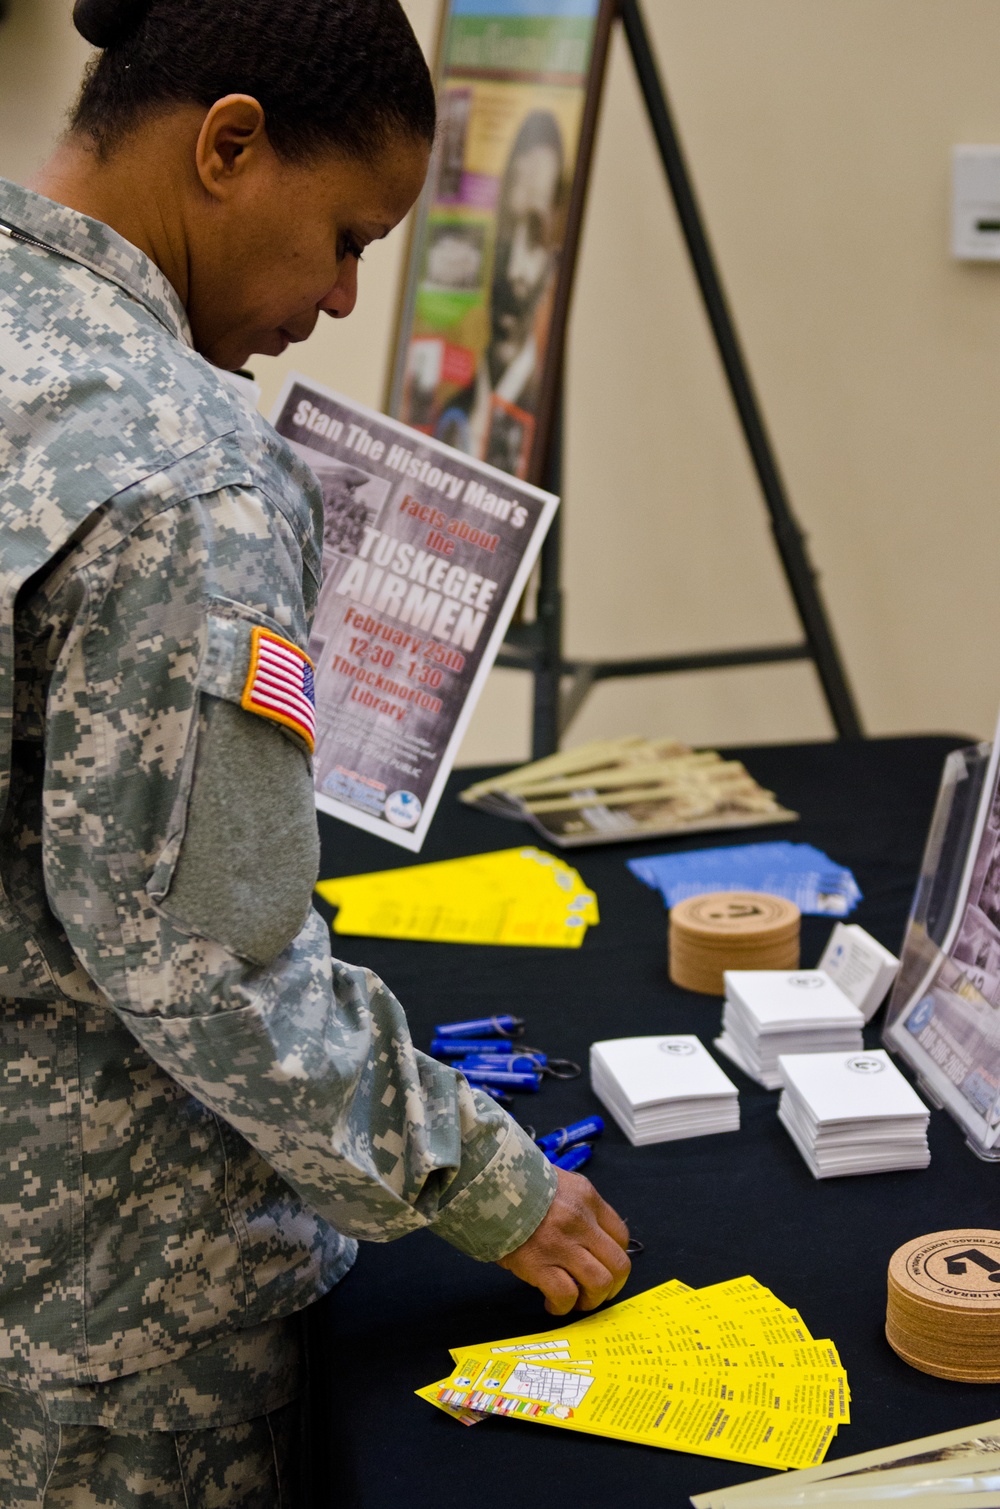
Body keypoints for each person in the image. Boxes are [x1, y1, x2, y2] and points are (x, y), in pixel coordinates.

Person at [0, 0, 630, 1503]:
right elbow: (210, 951)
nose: (350, 297)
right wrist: (489, 1181)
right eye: (350, 234)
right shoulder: (189, 475)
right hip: (117, 1317)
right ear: (229, 145)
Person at [436, 109, 565, 475]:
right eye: (508, 233)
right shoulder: (449, 412)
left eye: (535, 236)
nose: (514, 274)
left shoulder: (541, 426)